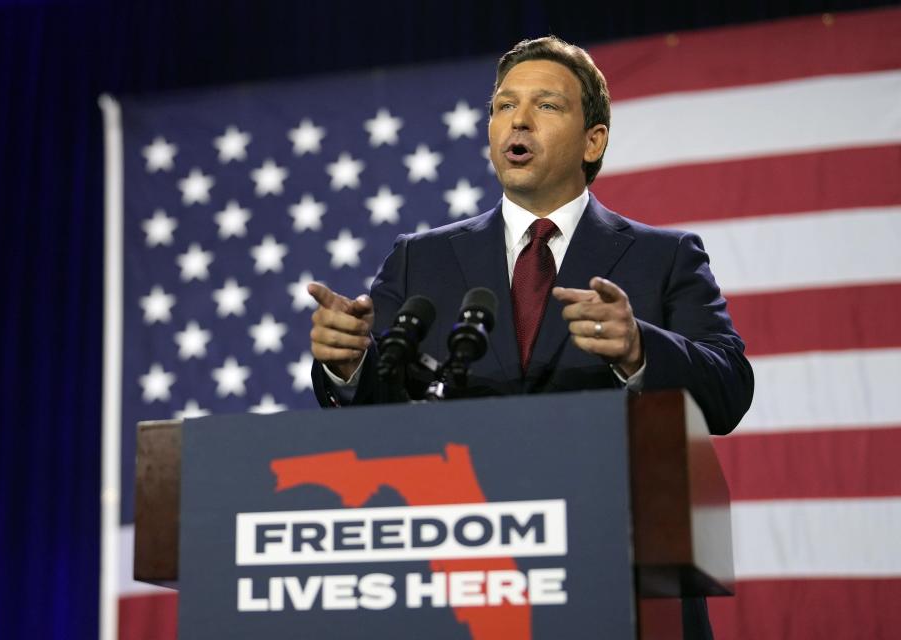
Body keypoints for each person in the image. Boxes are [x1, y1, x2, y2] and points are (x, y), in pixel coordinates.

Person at [308, 36, 754, 639]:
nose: (517, 119)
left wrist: (640, 350)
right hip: (461, 585)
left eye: (545, 105)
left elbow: (729, 391)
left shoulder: (664, 256)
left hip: (621, 583)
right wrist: (348, 366)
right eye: (503, 106)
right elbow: (378, 419)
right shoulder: (421, 260)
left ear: (593, 140)